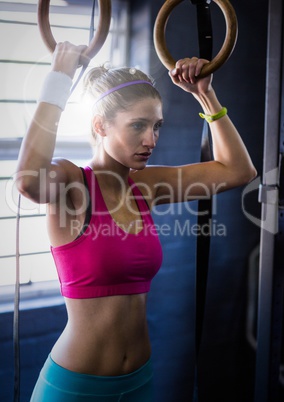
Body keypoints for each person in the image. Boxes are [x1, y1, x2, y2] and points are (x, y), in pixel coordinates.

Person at [15, 41, 256, 401]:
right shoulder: (72, 184)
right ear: (100, 125)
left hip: (139, 382)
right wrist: (58, 79)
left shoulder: (145, 185)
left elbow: (238, 171)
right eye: (138, 126)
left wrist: (207, 97)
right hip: (76, 387)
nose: (151, 139)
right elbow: (28, 181)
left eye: (157, 126)